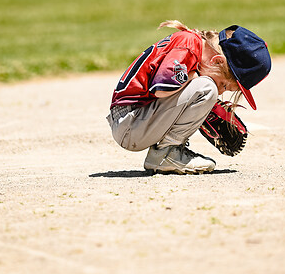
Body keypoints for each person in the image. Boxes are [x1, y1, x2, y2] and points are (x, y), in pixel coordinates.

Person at [106, 20, 271, 174]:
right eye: (224, 85)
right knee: (207, 88)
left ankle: (168, 152)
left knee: (206, 89)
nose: (221, 92)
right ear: (218, 61)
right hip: (130, 123)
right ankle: (167, 154)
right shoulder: (188, 45)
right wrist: (199, 85)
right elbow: (161, 90)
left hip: (136, 119)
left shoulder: (192, 44)